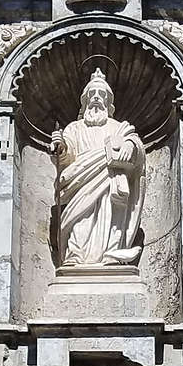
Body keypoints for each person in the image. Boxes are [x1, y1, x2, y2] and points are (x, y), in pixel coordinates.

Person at [51, 69, 146, 270]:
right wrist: (59, 147)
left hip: (109, 185)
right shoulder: (74, 128)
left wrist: (130, 146)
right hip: (80, 185)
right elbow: (66, 156)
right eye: (92, 94)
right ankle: (75, 256)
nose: (96, 97)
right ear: (85, 100)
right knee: (81, 222)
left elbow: (136, 147)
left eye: (101, 94)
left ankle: (112, 253)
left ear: (108, 102)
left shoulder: (119, 128)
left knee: (110, 218)